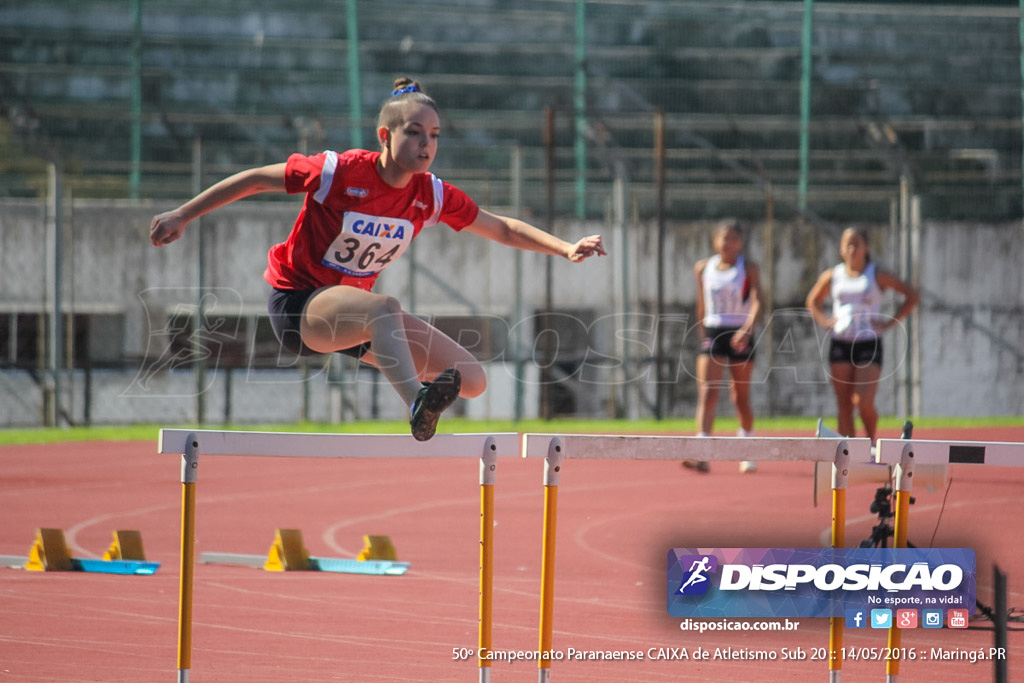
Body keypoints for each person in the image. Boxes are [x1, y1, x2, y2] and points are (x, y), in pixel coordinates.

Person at [149, 77, 605, 441]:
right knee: (386, 307)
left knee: (470, 378)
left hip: (355, 322)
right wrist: (183, 214)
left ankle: (421, 400)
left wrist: (564, 247)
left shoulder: (431, 194)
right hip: (299, 306)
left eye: (435, 136)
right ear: (385, 136)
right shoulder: (341, 172)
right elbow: (254, 180)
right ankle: (416, 405)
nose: (427, 144)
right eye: (414, 133)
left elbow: (501, 227)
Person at [806, 226, 919, 444]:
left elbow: (912, 295)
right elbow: (812, 302)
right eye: (847, 244)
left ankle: (871, 441)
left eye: (857, 243)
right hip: (841, 342)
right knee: (844, 403)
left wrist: (890, 322)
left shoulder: (876, 274)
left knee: (864, 401)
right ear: (841, 249)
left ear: (866, 247)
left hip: (868, 342)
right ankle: (848, 452)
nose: (852, 249)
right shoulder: (833, 276)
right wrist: (826, 322)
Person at [684, 219, 762, 474]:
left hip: (740, 330)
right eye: (724, 238)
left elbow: (758, 301)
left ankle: (747, 449)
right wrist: (702, 329)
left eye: (734, 239)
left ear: (740, 243)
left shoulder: (748, 268)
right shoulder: (703, 268)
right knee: (708, 392)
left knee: (739, 396)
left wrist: (747, 330)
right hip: (713, 330)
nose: (728, 243)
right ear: (715, 241)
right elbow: (701, 302)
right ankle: (702, 453)